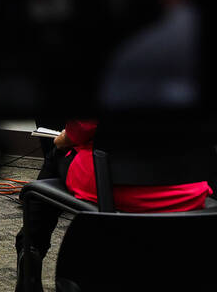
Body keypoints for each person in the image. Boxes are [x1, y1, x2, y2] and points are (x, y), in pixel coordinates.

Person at [14, 119, 211, 292]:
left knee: (57, 152)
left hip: (114, 182)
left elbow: (82, 128)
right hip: (188, 186)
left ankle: (30, 250)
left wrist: (63, 139)